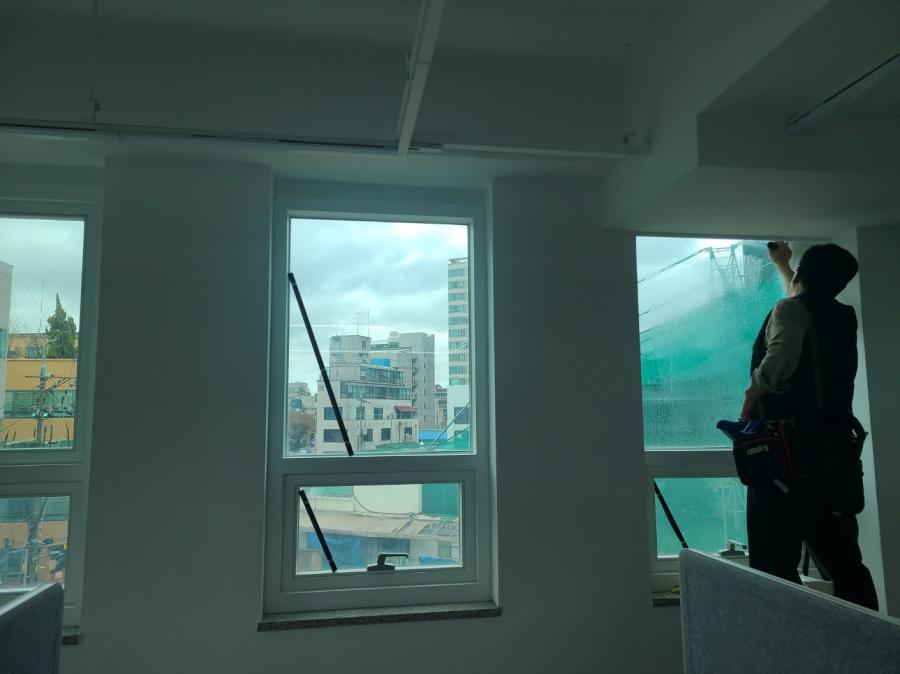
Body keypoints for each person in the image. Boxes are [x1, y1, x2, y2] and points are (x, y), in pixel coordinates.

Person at [740, 240, 878, 610]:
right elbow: (802, 307)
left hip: (788, 457)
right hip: (836, 457)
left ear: (802, 274)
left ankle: (782, 638)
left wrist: (752, 395)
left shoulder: (790, 310)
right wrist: (782, 265)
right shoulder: (842, 315)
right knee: (844, 561)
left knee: (773, 563)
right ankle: (872, 638)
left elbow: (783, 351)